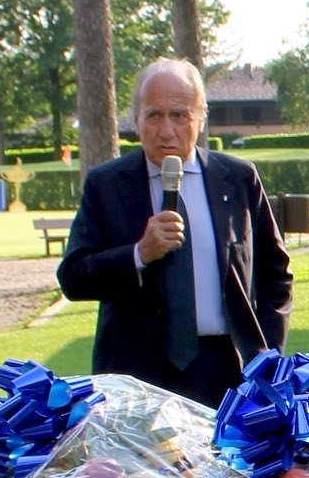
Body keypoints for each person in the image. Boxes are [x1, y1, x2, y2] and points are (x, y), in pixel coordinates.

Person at [56, 57, 295, 404]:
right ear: (136, 120)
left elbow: (276, 276)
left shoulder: (238, 179)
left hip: (226, 372)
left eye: (179, 115)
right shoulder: (106, 185)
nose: (166, 130)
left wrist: (266, 355)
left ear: (199, 119)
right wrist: (138, 254)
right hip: (138, 378)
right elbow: (73, 277)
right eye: (154, 115)